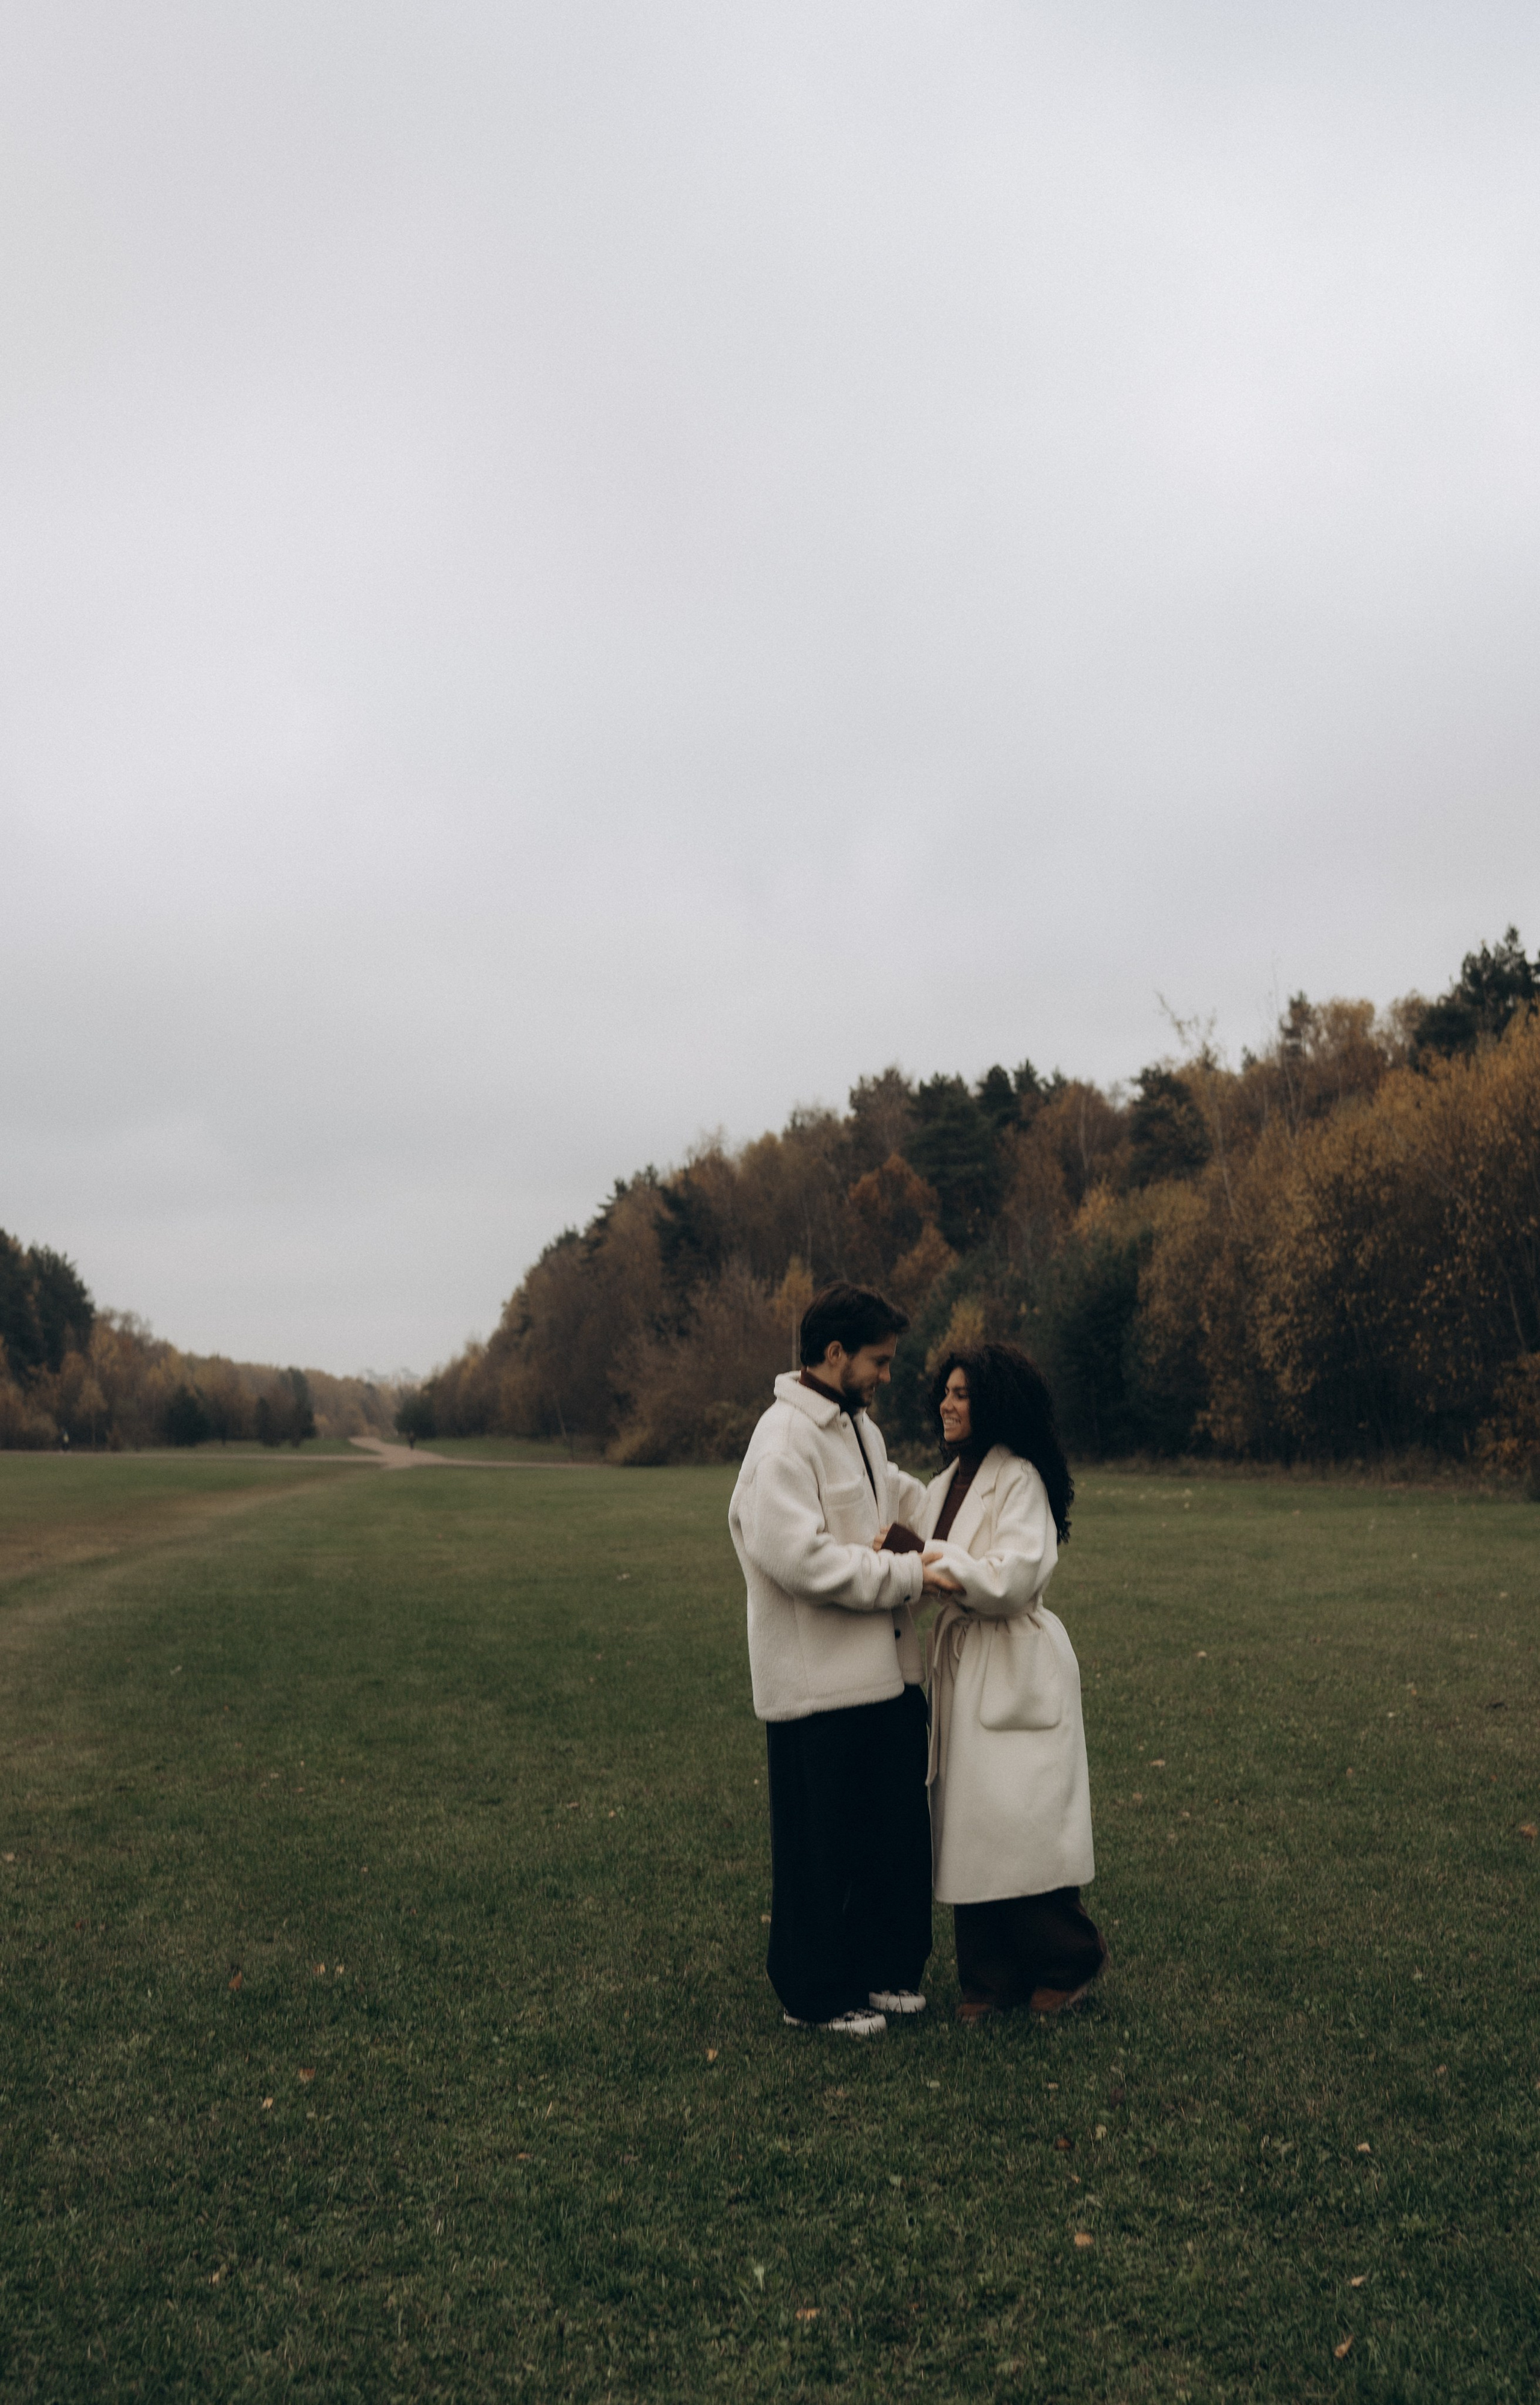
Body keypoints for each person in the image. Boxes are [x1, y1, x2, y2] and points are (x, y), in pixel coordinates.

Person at [729, 1282, 946, 2037]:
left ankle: (883, 1969)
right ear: (834, 1354)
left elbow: (893, 1498)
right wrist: (909, 1575)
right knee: (820, 1846)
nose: (888, 1374)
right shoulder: (781, 1439)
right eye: (878, 1361)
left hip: (883, 1676)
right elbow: (802, 1562)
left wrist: (965, 1517)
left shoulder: (860, 1428)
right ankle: (814, 1994)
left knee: (886, 1831)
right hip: (815, 1689)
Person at [914, 1343, 1105, 2022]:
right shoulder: (943, 1484)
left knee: (1019, 1821)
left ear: (993, 1402)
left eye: (962, 1393)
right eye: (945, 1392)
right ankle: (989, 1978)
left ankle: (1067, 1958)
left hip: (1015, 1657)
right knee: (969, 1825)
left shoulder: (1021, 1478)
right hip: (965, 1668)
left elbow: (1014, 1573)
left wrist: (931, 1560)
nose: (947, 1403)